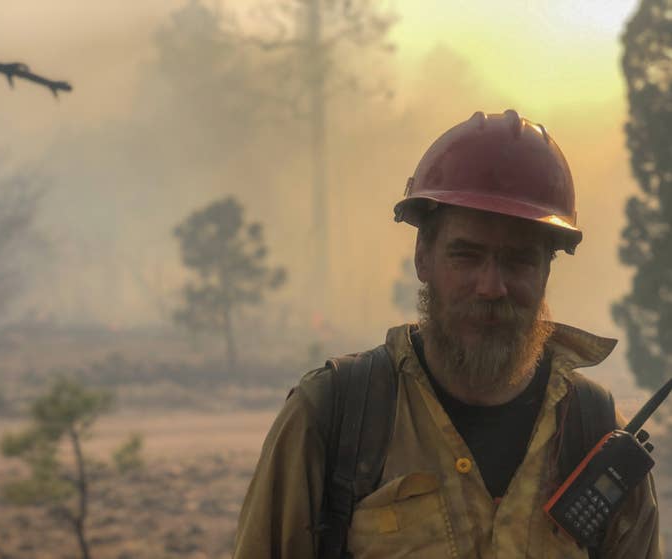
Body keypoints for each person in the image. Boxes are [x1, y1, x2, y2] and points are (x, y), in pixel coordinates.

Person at [233, 110, 660, 558]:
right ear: (423, 258)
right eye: (466, 255)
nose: (491, 286)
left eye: (518, 261)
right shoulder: (333, 418)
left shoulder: (596, 440)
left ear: (546, 272)